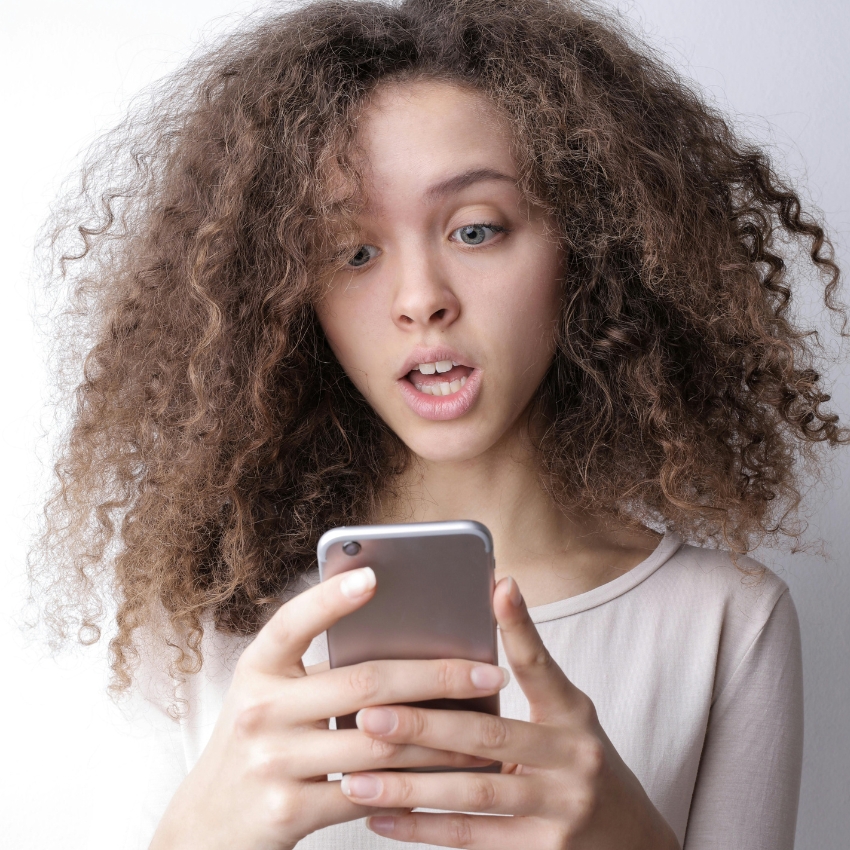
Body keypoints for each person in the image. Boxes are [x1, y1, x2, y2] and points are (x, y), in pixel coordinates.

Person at [29, 0, 848, 848]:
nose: (421, 299)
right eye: (354, 252)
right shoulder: (211, 620)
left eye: (477, 229)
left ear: (595, 246)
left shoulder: (726, 619)